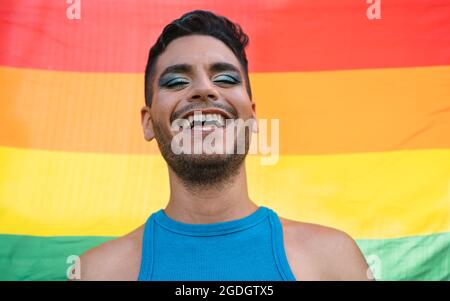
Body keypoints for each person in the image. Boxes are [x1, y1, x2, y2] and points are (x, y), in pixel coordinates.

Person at [74, 10, 371, 281]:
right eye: (177, 81)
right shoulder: (97, 272)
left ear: (252, 116)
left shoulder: (333, 260)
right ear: (148, 122)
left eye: (226, 78)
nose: (204, 89)